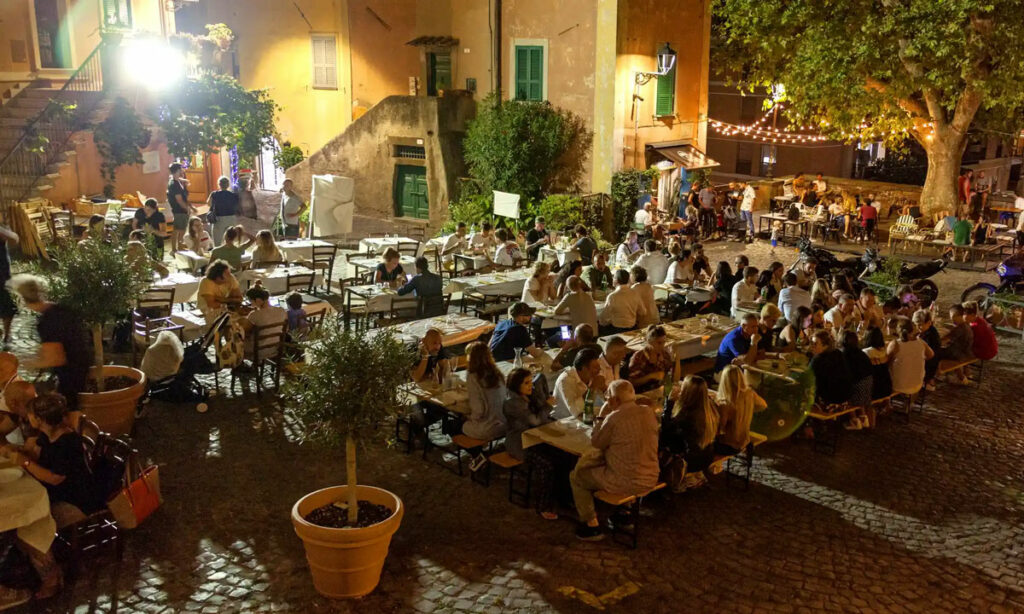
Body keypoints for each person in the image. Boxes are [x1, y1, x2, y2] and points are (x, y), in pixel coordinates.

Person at [570, 380, 660, 541]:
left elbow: (597, 442)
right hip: (651, 476)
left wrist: (601, 415)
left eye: (608, 397)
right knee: (623, 463)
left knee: (576, 477)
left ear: (615, 400)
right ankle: (624, 513)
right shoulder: (648, 412)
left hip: (623, 481)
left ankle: (591, 525)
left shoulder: (614, 418)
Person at [9, 276, 91, 411]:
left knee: (66, 411)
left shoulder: (47, 321)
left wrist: (22, 362)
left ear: (22, 299)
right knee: (72, 409)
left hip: (70, 374)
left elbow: (56, 358)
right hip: (80, 365)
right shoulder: (58, 309)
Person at [502, 368, 557, 519]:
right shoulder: (513, 403)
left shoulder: (528, 397)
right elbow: (535, 420)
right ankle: (542, 506)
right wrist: (547, 405)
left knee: (561, 457)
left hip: (536, 439)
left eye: (530, 382)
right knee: (547, 466)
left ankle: (562, 498)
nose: (530, 386)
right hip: (521, 444)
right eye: (526, 383)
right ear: (516, 385)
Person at [661, 374, 719, 477]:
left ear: (687, 393)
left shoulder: (687, 415)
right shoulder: (710, 409)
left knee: (661, 443)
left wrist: (669, 403)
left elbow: (665, 432)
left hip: (690, 462)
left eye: (683, 388)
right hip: (707, 456)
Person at [714, 365, 767, 455]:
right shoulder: (750, 393)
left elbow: (720, 428)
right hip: (744, 441)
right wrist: (747, 410)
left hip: (729, 445)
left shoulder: (726, 403)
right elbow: (763, 405)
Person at [461, 342, 507, 441]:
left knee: (458, 424)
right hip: (504, 423)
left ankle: (477, 453)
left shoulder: (473, 376)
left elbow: (479, 409)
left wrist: (469, 417)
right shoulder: (497, 373)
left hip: (488, 427)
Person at [553, 347, 604, 420]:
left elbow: (606, 399)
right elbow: (576, 411)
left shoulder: (592, 375)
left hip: (584, 416)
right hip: (562, 420)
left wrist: (604, 389)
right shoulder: (566, 380)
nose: (599, 370)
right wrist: (592, 388)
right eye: (596, 367)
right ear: (584, 368)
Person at [887, 319, 932, 397]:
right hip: (918, 384)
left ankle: (886, 405)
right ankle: (909, 403)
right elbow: (931, 355)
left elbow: (885, 362)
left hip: (898, 386)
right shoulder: (920, 342)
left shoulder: (896, 344)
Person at [809, 330, 852, 406]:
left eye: (815, 344)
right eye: (812, 343)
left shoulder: (818, 360)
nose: (812, 346)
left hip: (828, 401)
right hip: (845, 398)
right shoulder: (838, 353)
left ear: (825, 345)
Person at [628, 325, 675, 394]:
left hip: (661, 391)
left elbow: (672, 377)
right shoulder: (639, 357)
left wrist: (676, 359)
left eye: (664, 342)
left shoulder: (664, 354)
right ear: (649, 341)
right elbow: (632, 382)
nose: (662, 346)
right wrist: (650, 376)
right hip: (644, 393)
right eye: (659, 343)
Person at [841, 331, 874, 428]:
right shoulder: (861, 352)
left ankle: (854, 420)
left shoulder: (845, 354)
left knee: (846, 391)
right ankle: (863, 418)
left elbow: (847, 375)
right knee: (856, 390)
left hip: (857, 386)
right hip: (868, 384)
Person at [599, 269, 647, 335]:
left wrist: (610, 321)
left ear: (616, 280)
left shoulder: (612, 296)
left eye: (613, 277)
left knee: (599, 326)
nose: (612, 279)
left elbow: (603, 320)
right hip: (632, 327)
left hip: (616, 330)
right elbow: (643, 312)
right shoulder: (635, 293)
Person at [935, 304, 974, 383]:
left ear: (958, 316)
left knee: (933, 352)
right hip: (965, 352)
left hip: (957, 354)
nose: (951, 319)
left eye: (952, 317)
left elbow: (943, 340)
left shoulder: (959, 328)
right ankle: (963, 377)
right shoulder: (966, 325)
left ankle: (936, 375)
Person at [167, 162, 194, 251]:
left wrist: (184, 181)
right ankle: (178, 249)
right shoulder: (174, 185)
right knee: (180, 230)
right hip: (180, 210)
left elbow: (178, 180)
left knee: (177, 230)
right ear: (178, 170)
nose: (182, 170)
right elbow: (179, 200)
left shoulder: (174, 181)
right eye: (181, 169)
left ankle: (176, 248)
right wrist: (187, 209)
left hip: (177, 210)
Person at [913, 309, 941, 391]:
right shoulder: (930, 330)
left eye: (920, 325)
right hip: (931, 362)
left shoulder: (930, 336)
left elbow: (923, 353)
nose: (918, 328)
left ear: (928, 323)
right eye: (916, 325)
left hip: (928, 365)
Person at [0, 224, 19, 345]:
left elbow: (14, 239)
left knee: (7, 307)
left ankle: (7, 335)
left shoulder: (2, 229)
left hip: (1, 277)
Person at [207, 176, 239, 245]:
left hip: (219, 218)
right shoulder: (233, 195)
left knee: (217, 239)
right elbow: (237, 206)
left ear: (219, 184)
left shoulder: (214, 194)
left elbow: (208, 203)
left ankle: (218, 252)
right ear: (228, 185)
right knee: (231, 238)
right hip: (231, 217)